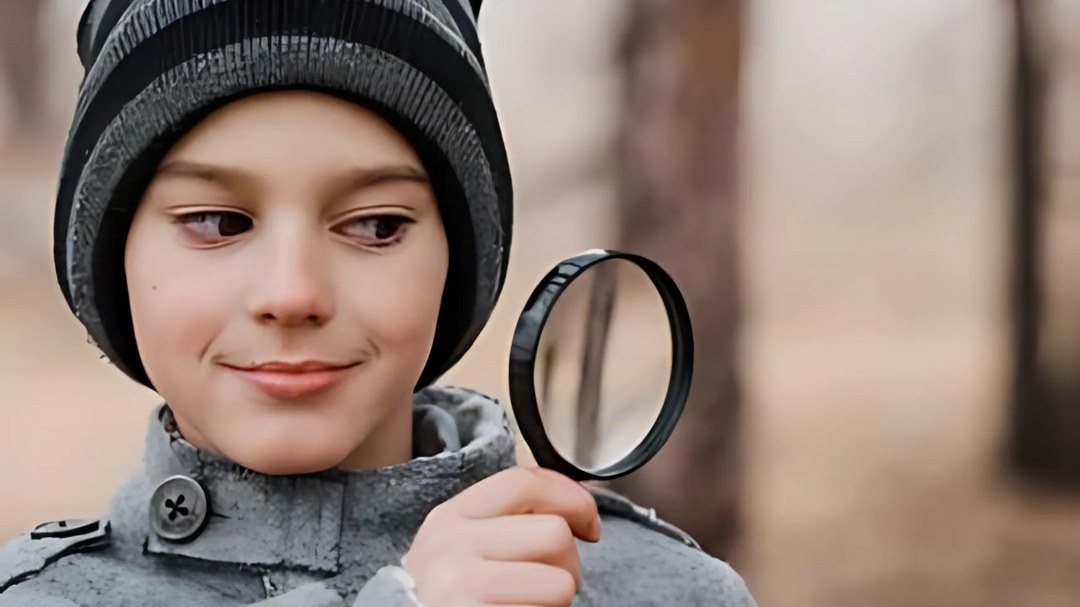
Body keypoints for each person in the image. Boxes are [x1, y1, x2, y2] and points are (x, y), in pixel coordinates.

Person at [0, 1, 758, 605]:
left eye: (374, 225)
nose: (293, 294)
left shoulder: (673, 592)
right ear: (115, 260)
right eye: (218, 223)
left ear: (456, 260)